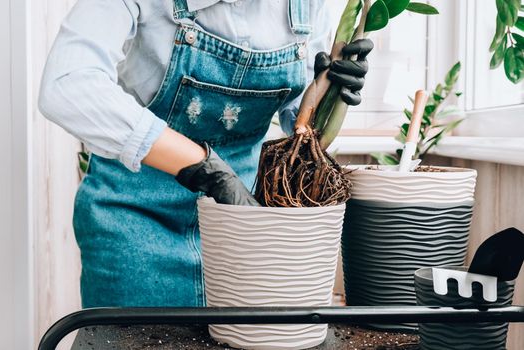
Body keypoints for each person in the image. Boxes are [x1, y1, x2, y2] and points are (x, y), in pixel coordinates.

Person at [39, 0, 373, 308]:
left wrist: (330, 92)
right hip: (134, 231)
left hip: (242, 231)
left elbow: (296, 115)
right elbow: (67, 85)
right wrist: (204, 167)